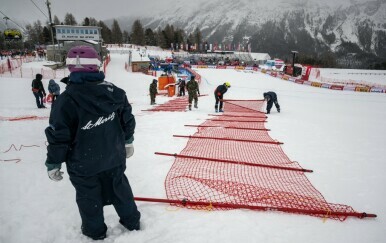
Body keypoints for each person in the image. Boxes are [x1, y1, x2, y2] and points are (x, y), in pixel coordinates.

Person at [44, 45, 141, 240]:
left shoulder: (65, 100)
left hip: (83, 163)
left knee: (89, 197)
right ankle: (132, 221)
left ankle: (95, 232)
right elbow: (127, 121)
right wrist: (128, 141)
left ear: (71, 68)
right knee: (120, 189)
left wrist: (53, 163)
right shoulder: (114, 92)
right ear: (96, 65)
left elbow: (59, 136)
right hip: (113, 157)